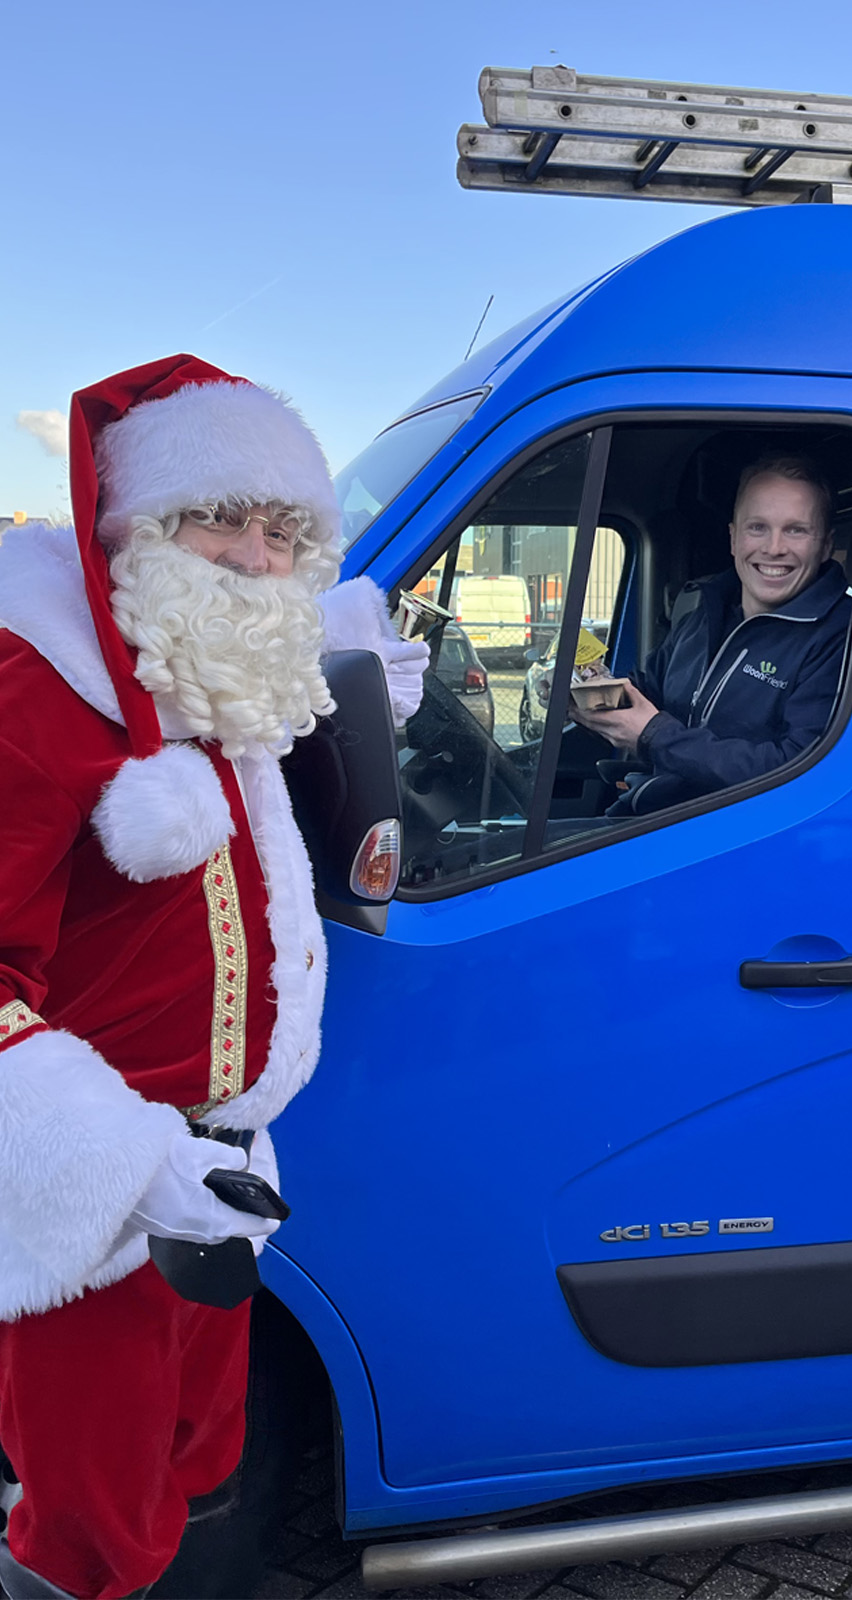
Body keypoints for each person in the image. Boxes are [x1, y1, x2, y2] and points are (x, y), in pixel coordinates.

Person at [0, 355, 425, 1600]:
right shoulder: (41, 690)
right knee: (86, 1522)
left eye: (281, 530)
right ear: (140, 531)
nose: (253, 555)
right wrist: (134, 1163)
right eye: (219, 518)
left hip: (219, 1181)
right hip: (102, 1203)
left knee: (194, 1471)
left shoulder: (213, 673)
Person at [571, 454, 852, 815]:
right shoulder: (704, 613)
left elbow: (796, 771)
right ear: (733, 538)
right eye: (757, 528)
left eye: (796, 530)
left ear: (826, 545)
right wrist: (581, 693)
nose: (774, 548)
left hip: (740, 835)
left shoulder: (845, 639)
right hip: (658, 816)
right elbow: (646, 696)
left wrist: (655, 736)